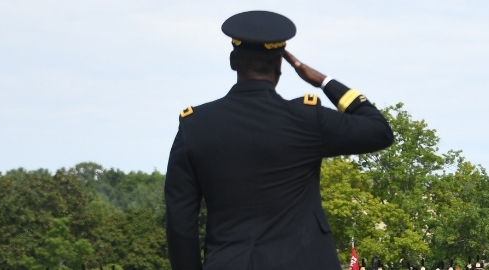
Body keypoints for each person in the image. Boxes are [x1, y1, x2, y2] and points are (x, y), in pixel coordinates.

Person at [164, 10, 394, 269]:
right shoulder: (306, 120)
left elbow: (180, 221)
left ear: (233, 61)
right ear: (280, 65)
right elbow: (379, 131)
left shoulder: (195, 125)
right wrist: (324, 81)